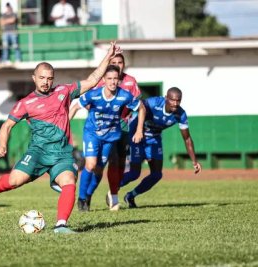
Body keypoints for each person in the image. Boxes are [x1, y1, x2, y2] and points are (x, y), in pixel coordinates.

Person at [0, 42, 122, 234]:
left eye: (50, 78)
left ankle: (61, 225)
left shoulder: (64, 91)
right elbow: (7, 126)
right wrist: (2, 145)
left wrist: (108, 56)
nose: (46, 82)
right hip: (38, 152)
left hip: (62, 153)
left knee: (69, 182)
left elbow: (92, 80)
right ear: (34, 78)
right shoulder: (26, 103)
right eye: (42, 78)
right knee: (15, 181)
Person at [69, 65, 145, 212]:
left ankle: (89, 195)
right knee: (90, 164)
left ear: (119, 80)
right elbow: (74, 107)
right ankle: (81, 198)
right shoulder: (94, 94)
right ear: (103, 80)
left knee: (99, 170)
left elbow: (141, 107)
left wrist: (139, 130)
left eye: (115, 79)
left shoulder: (124, 95)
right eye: (109, 78)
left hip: (111, 137)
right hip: (92, 134)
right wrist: (63, 129)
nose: (113, 82)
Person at [119, 87, 202, 208]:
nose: (175, 103)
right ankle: (113, 190)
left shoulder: (181, 114)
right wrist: (129, 122)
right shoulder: (154, 103)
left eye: (178, 100)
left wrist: (195, 161)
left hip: (154, 138)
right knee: (134, 173)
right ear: (166, 98)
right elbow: (139, 106)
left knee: (157, 174)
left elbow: (187, 139)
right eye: (172, 100)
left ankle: (130, 196)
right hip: (137, 134)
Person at [102, 53, 141, 210]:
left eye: (120, 62)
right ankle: (85, 196)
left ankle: (113, 194)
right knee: (98, 164)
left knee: (120, 163)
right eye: (114, 62)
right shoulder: (103, 81)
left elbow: (138, 105)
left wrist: (135, 122)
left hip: (124, 126)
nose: (117, 64)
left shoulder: (130, 81)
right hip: (104, 128)